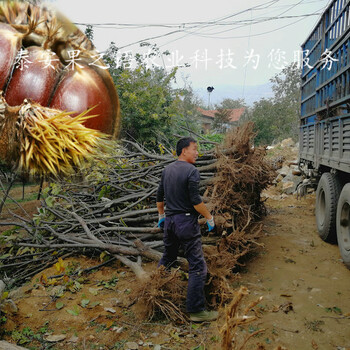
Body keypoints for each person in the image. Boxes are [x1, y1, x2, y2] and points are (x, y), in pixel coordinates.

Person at [156, 136, 218, 322]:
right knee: (197, 265)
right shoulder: (191, 171)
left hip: (171, 223)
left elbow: (160, 196)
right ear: (184, 151)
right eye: (194, 149)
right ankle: (197, 311)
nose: (197, 152)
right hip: (185, 223)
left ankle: (155, 291)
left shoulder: (167, 170)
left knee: (168, 257)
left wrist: (161, 216)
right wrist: (209, 217)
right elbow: (195, 201)